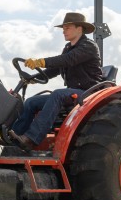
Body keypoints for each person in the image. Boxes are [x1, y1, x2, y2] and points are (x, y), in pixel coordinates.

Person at [10, 12, 103, 151]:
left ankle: (31, 139)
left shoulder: (88, 46)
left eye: (67, 28)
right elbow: (57, 68)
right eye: (63, 29)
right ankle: (15, 137)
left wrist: (40, 62)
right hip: (74, 91)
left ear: (79, 29)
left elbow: (67, 60)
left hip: (88, 92)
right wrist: (34, 78)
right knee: (31, 102)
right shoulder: (68, 48)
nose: (64, 32)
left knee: (57, 94)